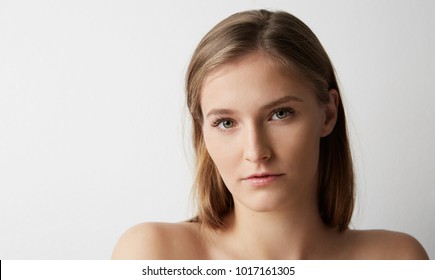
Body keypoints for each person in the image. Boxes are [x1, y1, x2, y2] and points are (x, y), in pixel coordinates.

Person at [112, 9, 428, 259]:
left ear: (328, 114)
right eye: (225, 123)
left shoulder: (396, 261)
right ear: (202, 130)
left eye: (280, 114)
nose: (256, 151)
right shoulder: (152, 256)